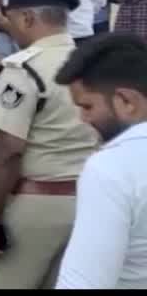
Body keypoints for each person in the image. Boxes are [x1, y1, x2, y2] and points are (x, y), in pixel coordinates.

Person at [0, 0, 100, 289]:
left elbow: (9, 149)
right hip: (90, 202)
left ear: (28, 18)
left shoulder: (23, 69)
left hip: (37, 204)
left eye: (12, 18)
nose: (8, 26)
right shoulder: (93, 67)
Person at [52, 33, 147, 289]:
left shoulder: (113, 168)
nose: (83, 119)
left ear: (127, 101)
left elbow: (84, 282)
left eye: (88, 106)